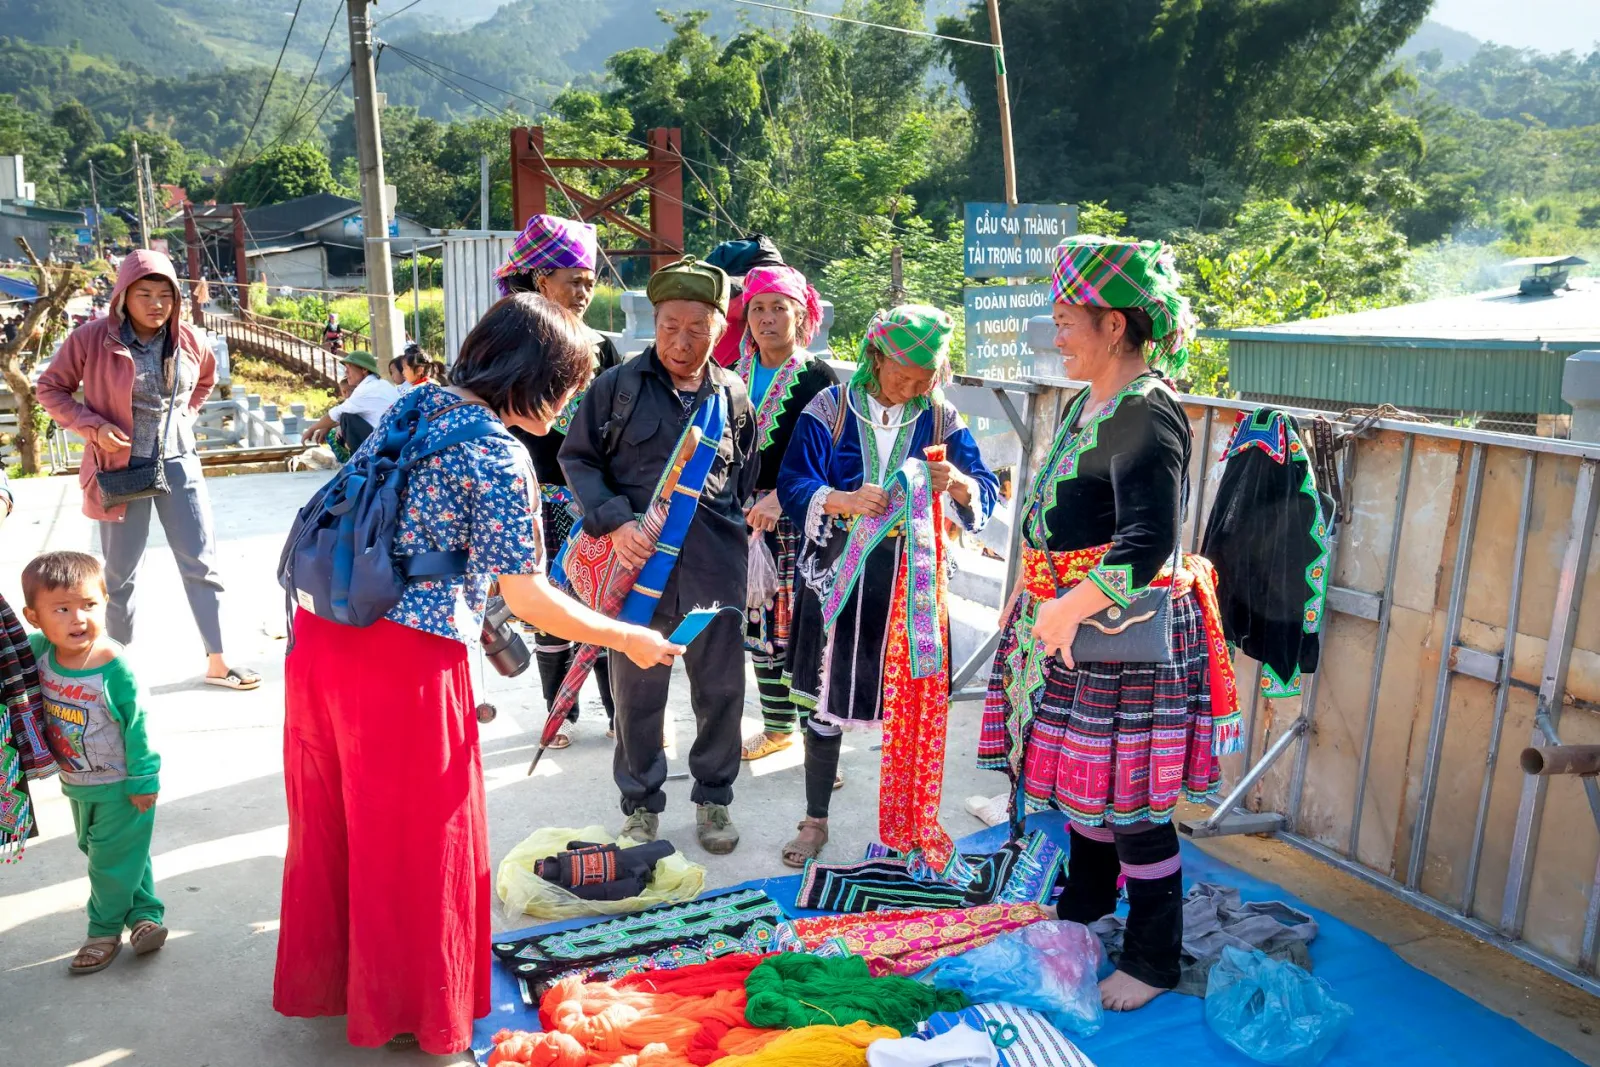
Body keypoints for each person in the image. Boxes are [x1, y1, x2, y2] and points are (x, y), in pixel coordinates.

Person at [274, 293, 682, 1055]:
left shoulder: (412, 404)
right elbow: (528, 598)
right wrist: (626, 635)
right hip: (405, 658)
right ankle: (409, 1009)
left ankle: (338, 983)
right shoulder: (495, 452)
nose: (565, 407)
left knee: (339, 821)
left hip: (325, 635)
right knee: (417, 838)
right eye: (564, 386)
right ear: (530, 375)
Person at [979, 236, 1241, 1012]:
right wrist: (1031, 595)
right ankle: (1085, 914)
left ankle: (1154, 959)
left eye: (1066, 321)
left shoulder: (1147, 412)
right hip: (1075, 626)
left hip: (1120, 637)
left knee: (1132, 807)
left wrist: (1063, 605)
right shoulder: (1090, 401)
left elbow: (1146, 543)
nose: (1055, 336)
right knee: (1088, 795)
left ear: (1114, 327)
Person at [775, 305, 999, 869]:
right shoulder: (830, 409)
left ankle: (910, 821)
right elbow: (793, 480)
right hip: (839, 575)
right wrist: (841, 499)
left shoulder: (941, 418)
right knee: (827, 701)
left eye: (925, 378)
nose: (914, 387)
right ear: (875, 358)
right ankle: (814, 818)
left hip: (914, 585)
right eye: (904, 375)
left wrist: (962, 486)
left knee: (912, 703)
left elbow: (987, 489)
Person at [560, 256, 757, 854]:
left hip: (712, 571)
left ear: (719, 329)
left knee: (720, 690)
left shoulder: (734, 393)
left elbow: (743, 477)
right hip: (637, 571)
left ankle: (713, 801)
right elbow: (578, 461)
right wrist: (617, 522)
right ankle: (641, 805)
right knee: (637, 693)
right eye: (670, 325)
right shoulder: (616, 388)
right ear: (655, 323)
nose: (681, 340)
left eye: (697, 327)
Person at [37, 250, 260, 691]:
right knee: (118, 574)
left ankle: (218, 659)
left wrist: (186, 417)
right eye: (145, 293)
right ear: (123, 295)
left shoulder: (191, 338)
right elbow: (50, 388)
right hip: (119, 469)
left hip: (179, 465)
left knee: (201, 564)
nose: (156, 304)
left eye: (165, 295)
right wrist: (94, 427)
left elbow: (205, 381)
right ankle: (119, 667)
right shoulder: (91, 339)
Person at [495, 214, 623, 743]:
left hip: (596, 501)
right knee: (549, 613)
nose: (583, 293)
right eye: (574, 281)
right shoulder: (515, 344)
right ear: (542, 279)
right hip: (540, 500)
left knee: (606, 606)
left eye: (590, 283)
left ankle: (622, 715)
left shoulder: (605, 349)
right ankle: (557, 714)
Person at [23, 551, 166, 975]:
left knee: (108, 859)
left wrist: (144, 778)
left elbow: (140, 725)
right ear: (34, 617)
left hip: (124, 785)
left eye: (88, 604)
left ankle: (102, 932)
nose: (77, 618)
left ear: (106, 601)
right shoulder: (40, 653)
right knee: (110, 851)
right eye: (61, 609)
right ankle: (145, 916)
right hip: (78, 781)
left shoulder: (113, 666)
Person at [732, 265, 839, 762]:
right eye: (758, 308)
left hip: (798, 524)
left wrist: (784, 496)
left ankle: (818, 744)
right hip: (743, 520)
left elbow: (838, 456)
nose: (767, 318)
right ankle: (778, 728)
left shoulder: (818, 378)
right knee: (757, 629)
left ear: (802, 315)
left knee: (801, 632)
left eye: (779, 308)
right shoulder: (734, 373)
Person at [303, 349, 400, 460]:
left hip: (383, 445)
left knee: (346, 417)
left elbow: (336, 414)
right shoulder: (382, 384)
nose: (346, 373)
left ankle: (362, 462)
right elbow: (335, 416)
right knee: (343, 419)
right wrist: (326, 426)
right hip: (393, 440)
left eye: (349, 369)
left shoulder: (365, 390)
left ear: (364, 369)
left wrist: (311, 429)